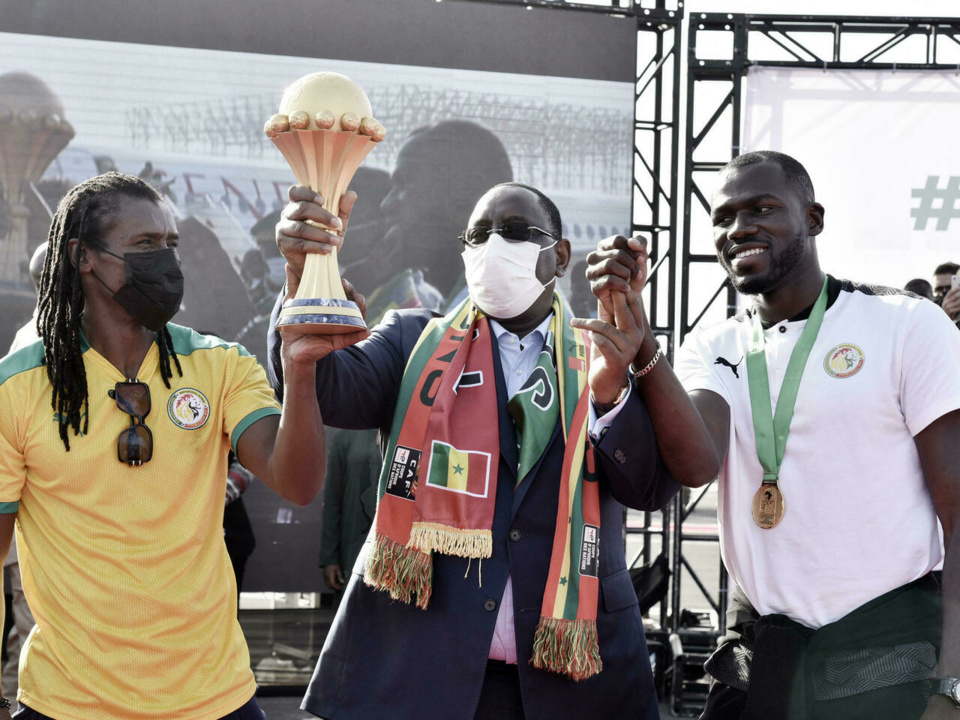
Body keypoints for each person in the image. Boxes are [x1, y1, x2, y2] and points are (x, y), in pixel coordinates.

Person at [268, 181, 678, 719]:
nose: (493, 246)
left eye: (513, 232)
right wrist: (303, 280)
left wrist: (614, 390)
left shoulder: (604, 351)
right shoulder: (413, 340)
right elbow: (323, 387)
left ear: (559, 256)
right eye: (478, 234)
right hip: (424, 673)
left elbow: (649, 486)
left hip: (570, 681)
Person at [580, 150, 960, 719]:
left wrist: (950, 685)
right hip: (762, 669)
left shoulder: (905, 323)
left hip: (890, 664)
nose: (740, 228)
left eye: (762, 208)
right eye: (724, 216)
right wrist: (643, 347)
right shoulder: (712, 347)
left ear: (813, 218)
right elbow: (696, 465)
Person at [0, 171, 333, 719]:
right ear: (83, 257)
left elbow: (297, 482)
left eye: (171, 245)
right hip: (69, 703)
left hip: (213, 698)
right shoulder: (19, 386)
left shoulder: (221, 365)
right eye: (146, 245)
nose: (167, 262)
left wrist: (299, 370)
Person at [318, 428, 379, 603]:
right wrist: (329, 558)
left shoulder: (409, 431)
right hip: (352, 544)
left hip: (394, 550)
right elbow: (332, 500)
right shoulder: (347, 436)